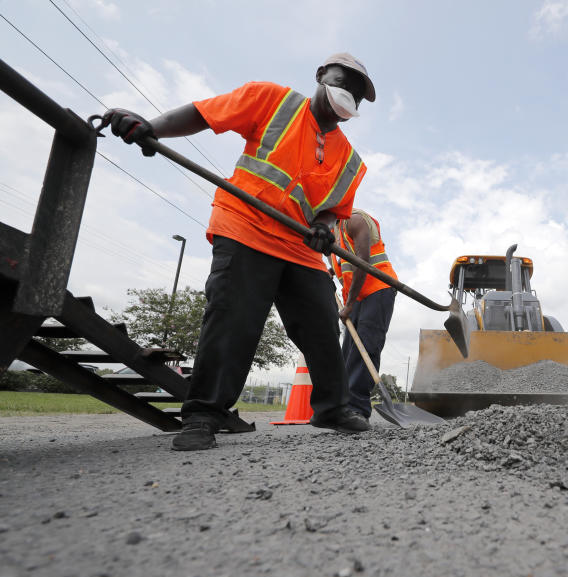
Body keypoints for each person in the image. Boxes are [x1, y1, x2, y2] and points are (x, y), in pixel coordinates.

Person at [102, 53, 377, 451]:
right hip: (245, 225)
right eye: (344, 79)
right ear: (321, 75)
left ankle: (332, 408)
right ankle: (203, 414)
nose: (349, 90)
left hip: (298, 248)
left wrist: (322, 228)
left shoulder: (350, 161)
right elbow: (205, 113)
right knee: (234, 320)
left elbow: (334, 213)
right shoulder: (274, 102)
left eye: (358, 91)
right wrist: (152, 128)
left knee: (320, 324)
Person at [330, 208, 398, 418]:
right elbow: (346, 263)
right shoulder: (333, 236)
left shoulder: (354, 220)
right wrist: (331, 271)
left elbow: (362, 260)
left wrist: (348, 304)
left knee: (365, 348)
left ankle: (357, 409)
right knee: (349, 352)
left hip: (378, 289)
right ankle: (344, 406)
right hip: (357, 296)